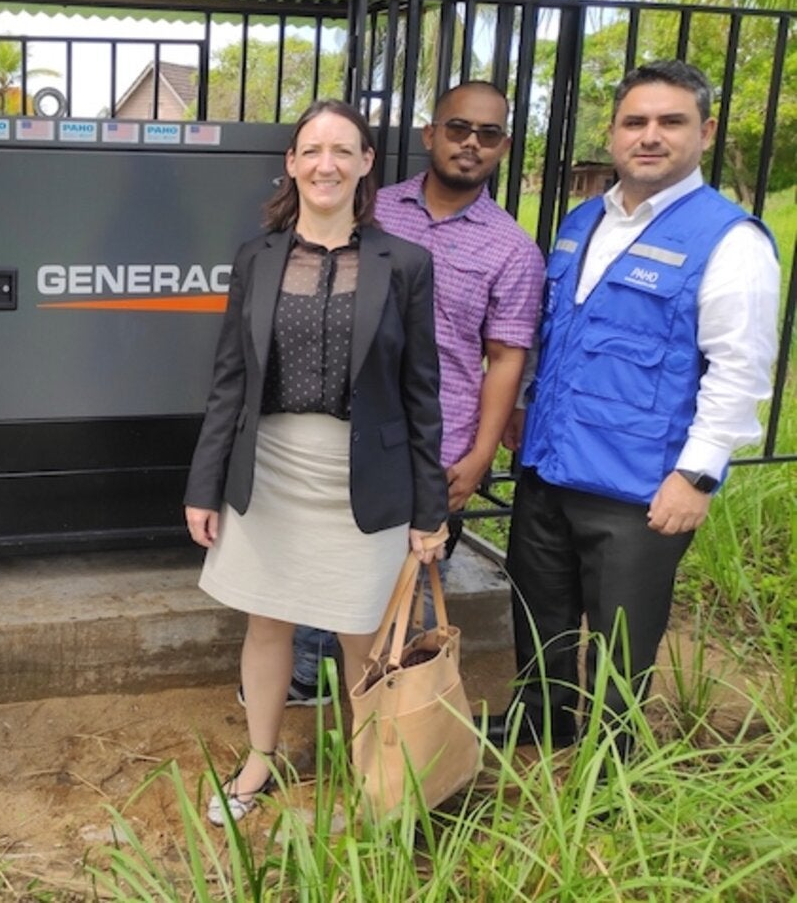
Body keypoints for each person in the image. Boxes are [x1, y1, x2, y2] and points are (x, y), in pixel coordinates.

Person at [496, 60, 779, 750]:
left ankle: (612, 762)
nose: (650, 136)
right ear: (615, 133)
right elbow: (555, 330)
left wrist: (698, 476)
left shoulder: (729, 240)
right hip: (550, 466)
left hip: (641, 488)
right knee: (540, 618)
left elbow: (739, 372)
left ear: (705, 132)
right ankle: (541, 722)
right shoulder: (581, 221)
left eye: (670, 122)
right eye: (635, 122)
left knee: (622, 644)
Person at [184, 99, 449, 825]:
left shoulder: (406, 264)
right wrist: (203, 486)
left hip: (363, 475)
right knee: (266, 624)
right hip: (270, 469)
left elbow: (422, 394)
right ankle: (259, 761)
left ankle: (374, 770)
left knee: (362, 631)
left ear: (366, 164)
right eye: (311, 150)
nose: (325, 163)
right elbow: (229, 381)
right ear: (291, 164)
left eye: (343, 150)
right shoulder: (258, 257)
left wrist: (431, 511)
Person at [281, 82, 545, 704]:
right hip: (342, 430)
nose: (470, 144)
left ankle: (394, 706)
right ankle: (307, 680)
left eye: (487, 135)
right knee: (324, 559)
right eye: (458, 128)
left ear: (503, 147)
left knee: (412, 582)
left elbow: (506, 359)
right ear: (431, 134)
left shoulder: (512, 248)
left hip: (438, 445)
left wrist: (480, 456)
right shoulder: (374, 211)